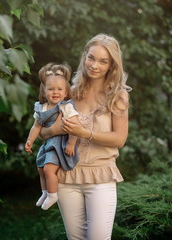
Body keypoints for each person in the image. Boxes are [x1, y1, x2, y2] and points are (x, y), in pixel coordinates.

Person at [40, 34, 131, 239]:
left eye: (103, 61)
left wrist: (84, 133)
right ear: (84, 57)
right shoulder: (69, 92)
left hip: (101, 177)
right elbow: (43, 133)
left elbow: (119, 139)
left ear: (111, 65)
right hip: (66, 177)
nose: (95, 65)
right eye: (91, 58)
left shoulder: (118, 95)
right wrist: (56, 129)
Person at [25, 62, 79, 210]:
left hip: (60, 145)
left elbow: (75, 127)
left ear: (66, 92)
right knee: (41, 169)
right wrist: (30, 140)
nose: (55, 92)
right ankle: (45, 192)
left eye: (59, 89)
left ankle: (53, 195)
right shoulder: (41, 108)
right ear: (44, 92)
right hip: (48, 144)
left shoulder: (66, 107)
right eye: (51, 89)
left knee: (49, 169)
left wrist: (71, 144)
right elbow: (36, 126)